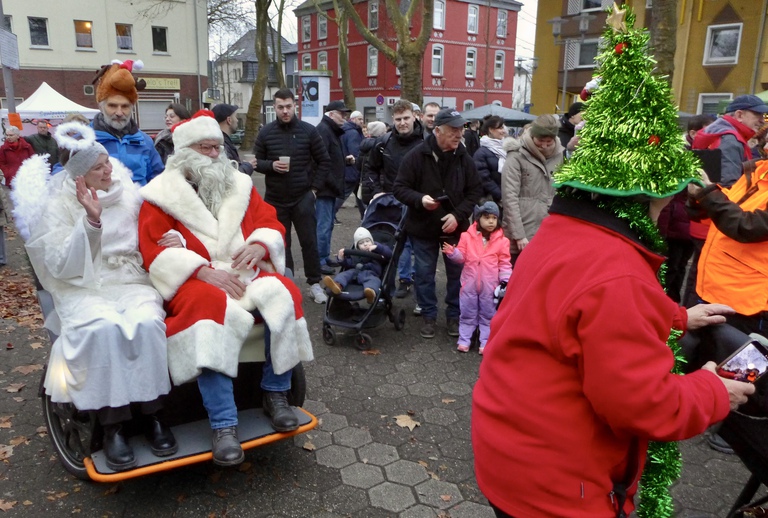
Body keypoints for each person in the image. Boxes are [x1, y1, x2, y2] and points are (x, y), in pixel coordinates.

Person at [138, 110, 313, 467]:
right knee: (208, 310)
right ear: (186, 151)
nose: (216, 155)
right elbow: (153, 248)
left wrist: (260, 245)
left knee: (284, 292)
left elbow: (268, 221)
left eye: (218, 148)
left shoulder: (239, 184)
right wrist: (200, 271)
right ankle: (224, 424)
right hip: (194, 279)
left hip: (240, 269)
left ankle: (275, 395)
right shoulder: (159, 195)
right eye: (207, 149)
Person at [20, 123, 176, 472]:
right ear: (79, 177)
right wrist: (90, 223)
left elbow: (152, 231)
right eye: (99, 167)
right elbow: (61, 264)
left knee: (148, 323)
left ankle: (154, 415)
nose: (109, 169)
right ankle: (113, 425)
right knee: (103, 328)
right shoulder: (59, 204)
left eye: (107, 162)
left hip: (129, 278)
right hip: (82, 286)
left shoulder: (129, 194)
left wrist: (172, 240)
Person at [393, 108, 483, 339]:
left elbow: (474, 192)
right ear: (438, 131)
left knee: (457, 274)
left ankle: (454, 315)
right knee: (424, 273)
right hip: (423, 228)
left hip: (455, 230)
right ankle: (429, 315)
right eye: (453, 130)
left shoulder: (464, 157)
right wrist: (420, 200)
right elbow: (400, 188)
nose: (459, 134)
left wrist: (458, 215)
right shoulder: (416, 155)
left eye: (461, 129)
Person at [252, 88, 331, 304]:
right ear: (274, 108)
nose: (285, 111)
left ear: (295, 106)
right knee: (280, 244)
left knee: (309, 242)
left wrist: (314, 190)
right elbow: (256, 162)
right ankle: (285, 284)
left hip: (303, 196)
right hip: (275, 199)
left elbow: (324, 161)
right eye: (280, 107)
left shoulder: (308, 131)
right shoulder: (266, 132)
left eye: (288, 106)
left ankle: (315, 283)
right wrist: (272, 165)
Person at [363, 100, 425, 300]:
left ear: (415, 116)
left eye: (406, 118)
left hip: (420, 203)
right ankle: (393, 289)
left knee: (422, 252)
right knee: (393, 249)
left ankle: (422, 298)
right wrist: (376, 191)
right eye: (398, 119)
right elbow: (370, 168)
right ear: (393, 119)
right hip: (392, 202)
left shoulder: (427, 141)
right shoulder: (384, 142)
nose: (403, 123)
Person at [442, 201, 511, 354]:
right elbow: (462, 257)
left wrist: (505, 281)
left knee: (488, 315)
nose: (491, 221)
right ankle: (465, 339)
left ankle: (485, 342)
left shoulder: (502, 241)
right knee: (467, 313)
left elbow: (505, 263)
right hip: (469, 284)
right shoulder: (467, 237)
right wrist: (453, 253)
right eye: (487, 217)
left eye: (494, 218)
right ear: (478, 218)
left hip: (490, 287)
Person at [91, 59, 164, 186]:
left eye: (125, 106)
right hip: (99, 204)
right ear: (101, 107)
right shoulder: (83, 140)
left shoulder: (145, 141)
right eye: (112, 106)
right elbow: (62, 176)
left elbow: (159, 179)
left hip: (138, 204)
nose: (119, 113)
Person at [501, 114, 564, 257]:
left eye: (549, 142)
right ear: (533, 136)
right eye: (540, 141)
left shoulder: (559, 154)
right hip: (523, 228)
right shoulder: (516, 155)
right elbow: (509, 198)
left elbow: (560, 191)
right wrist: (519, 235)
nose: (544, 146)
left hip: (548, 229)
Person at [692, 94, 768, 188]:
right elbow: (729, 185)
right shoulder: (731, 140)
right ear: (739, 115)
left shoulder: (717, 132)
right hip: (720, 200)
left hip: (707, 199)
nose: (763, 121)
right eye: (757, 114)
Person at [315, 100, 351, 274]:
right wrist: (331, 181)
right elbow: (321, 161)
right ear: (331, 114)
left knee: (327, 224)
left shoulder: (330, 130)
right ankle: (319, 260)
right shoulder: (324, 130)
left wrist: (344, 161)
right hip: (325, 189)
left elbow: (330, 158)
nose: (345, 117)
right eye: (341, 113)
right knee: (323, 225)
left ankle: (323, 256)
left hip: (328, 187)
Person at [322, 227, 392, 304]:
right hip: (355, 272)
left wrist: (378, 247)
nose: (365, 244)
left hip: (370, 273)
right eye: (361, 243)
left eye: (367, 241)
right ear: (357, 246)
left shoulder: (378, 252)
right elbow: (348, 263)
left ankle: (370, 293)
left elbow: (389, 254)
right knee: (344, 275)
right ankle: (337, 285)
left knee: (374, 281)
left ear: (372, 241)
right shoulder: (355, 254)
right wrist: (341, 258)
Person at [212, 103, 258, 175]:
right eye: (236, 117)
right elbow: (231, 175)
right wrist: (248, 166)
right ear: (229, 120)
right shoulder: (221, 144)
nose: (237, 120)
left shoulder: (218, 140)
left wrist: (241, 165)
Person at [472, 116, 508, 205]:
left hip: (508, 197)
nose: (503, 131)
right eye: (500, 128)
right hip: (491, 200)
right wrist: (500, 195)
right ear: (491, 130)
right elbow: (484, 179)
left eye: (503, 127)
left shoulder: (507, 149)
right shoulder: (481, 153)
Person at [337, 110, 366, 219]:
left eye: (362, 119)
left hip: (348, 168)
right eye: (359, 119)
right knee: (344, 194)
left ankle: (365, 217)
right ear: (353, 119)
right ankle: (330, 214)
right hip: (353, 169)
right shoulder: (353, 133)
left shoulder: (345, 130)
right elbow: (355, 151)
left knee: (360, 196)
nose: (362, 121)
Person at [357, 121, 387, 205]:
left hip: (365, 183)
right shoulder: (381, 147)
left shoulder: (364, 146)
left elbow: (358, 165)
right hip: (378, 185)